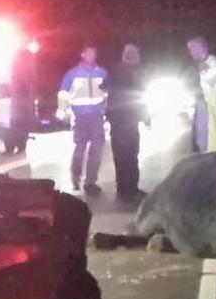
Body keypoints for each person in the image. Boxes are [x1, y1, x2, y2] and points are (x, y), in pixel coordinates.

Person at [57, 44, 109, 193]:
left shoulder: (102, 73)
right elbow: (63, 94)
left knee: (97, 149)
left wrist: (105, 109)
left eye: (94, 53)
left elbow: (107, 93)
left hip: (97, 116)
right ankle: (75, 177)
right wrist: (62, 112)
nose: (92, 56)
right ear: (83, 54)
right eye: (89, 53)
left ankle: (90, 182)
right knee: (79, 148)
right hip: (80, 117)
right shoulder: (72, 74)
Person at [107, 44, 149, 203]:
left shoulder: (118, 72)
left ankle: (125, 189)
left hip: (120, 121)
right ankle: (129, 189)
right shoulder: (132, 73)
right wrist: (145, 118)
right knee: (129, 155)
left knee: (123, 156)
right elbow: (138, 98)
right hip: (126, 121)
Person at [187, 36, 216, 153]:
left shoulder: (214, 62)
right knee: (205, 141)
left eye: (192, 49)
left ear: (200, 48)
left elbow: (214, 77)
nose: (190, 52)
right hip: (205, 108)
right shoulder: (200, 65)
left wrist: (204, 70)